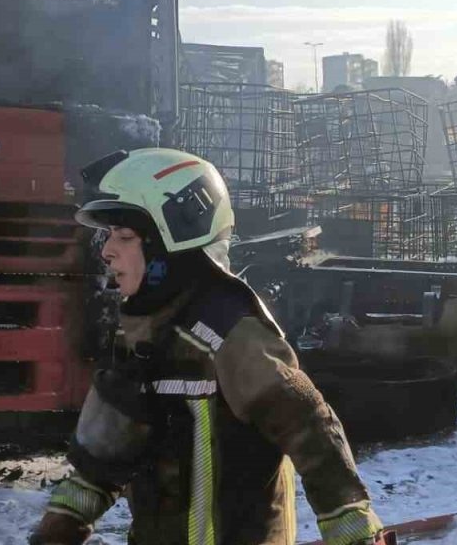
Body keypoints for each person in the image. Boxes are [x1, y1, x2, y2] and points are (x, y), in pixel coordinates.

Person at [30, 148, 387, 545]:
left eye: (124, 236)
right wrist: (60, 527)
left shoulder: (229, 333)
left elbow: (310, 427)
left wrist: (351, 527)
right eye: (108, 235)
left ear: (170, 243)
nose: (106, 250)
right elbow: (105, 454)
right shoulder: (144, 332)